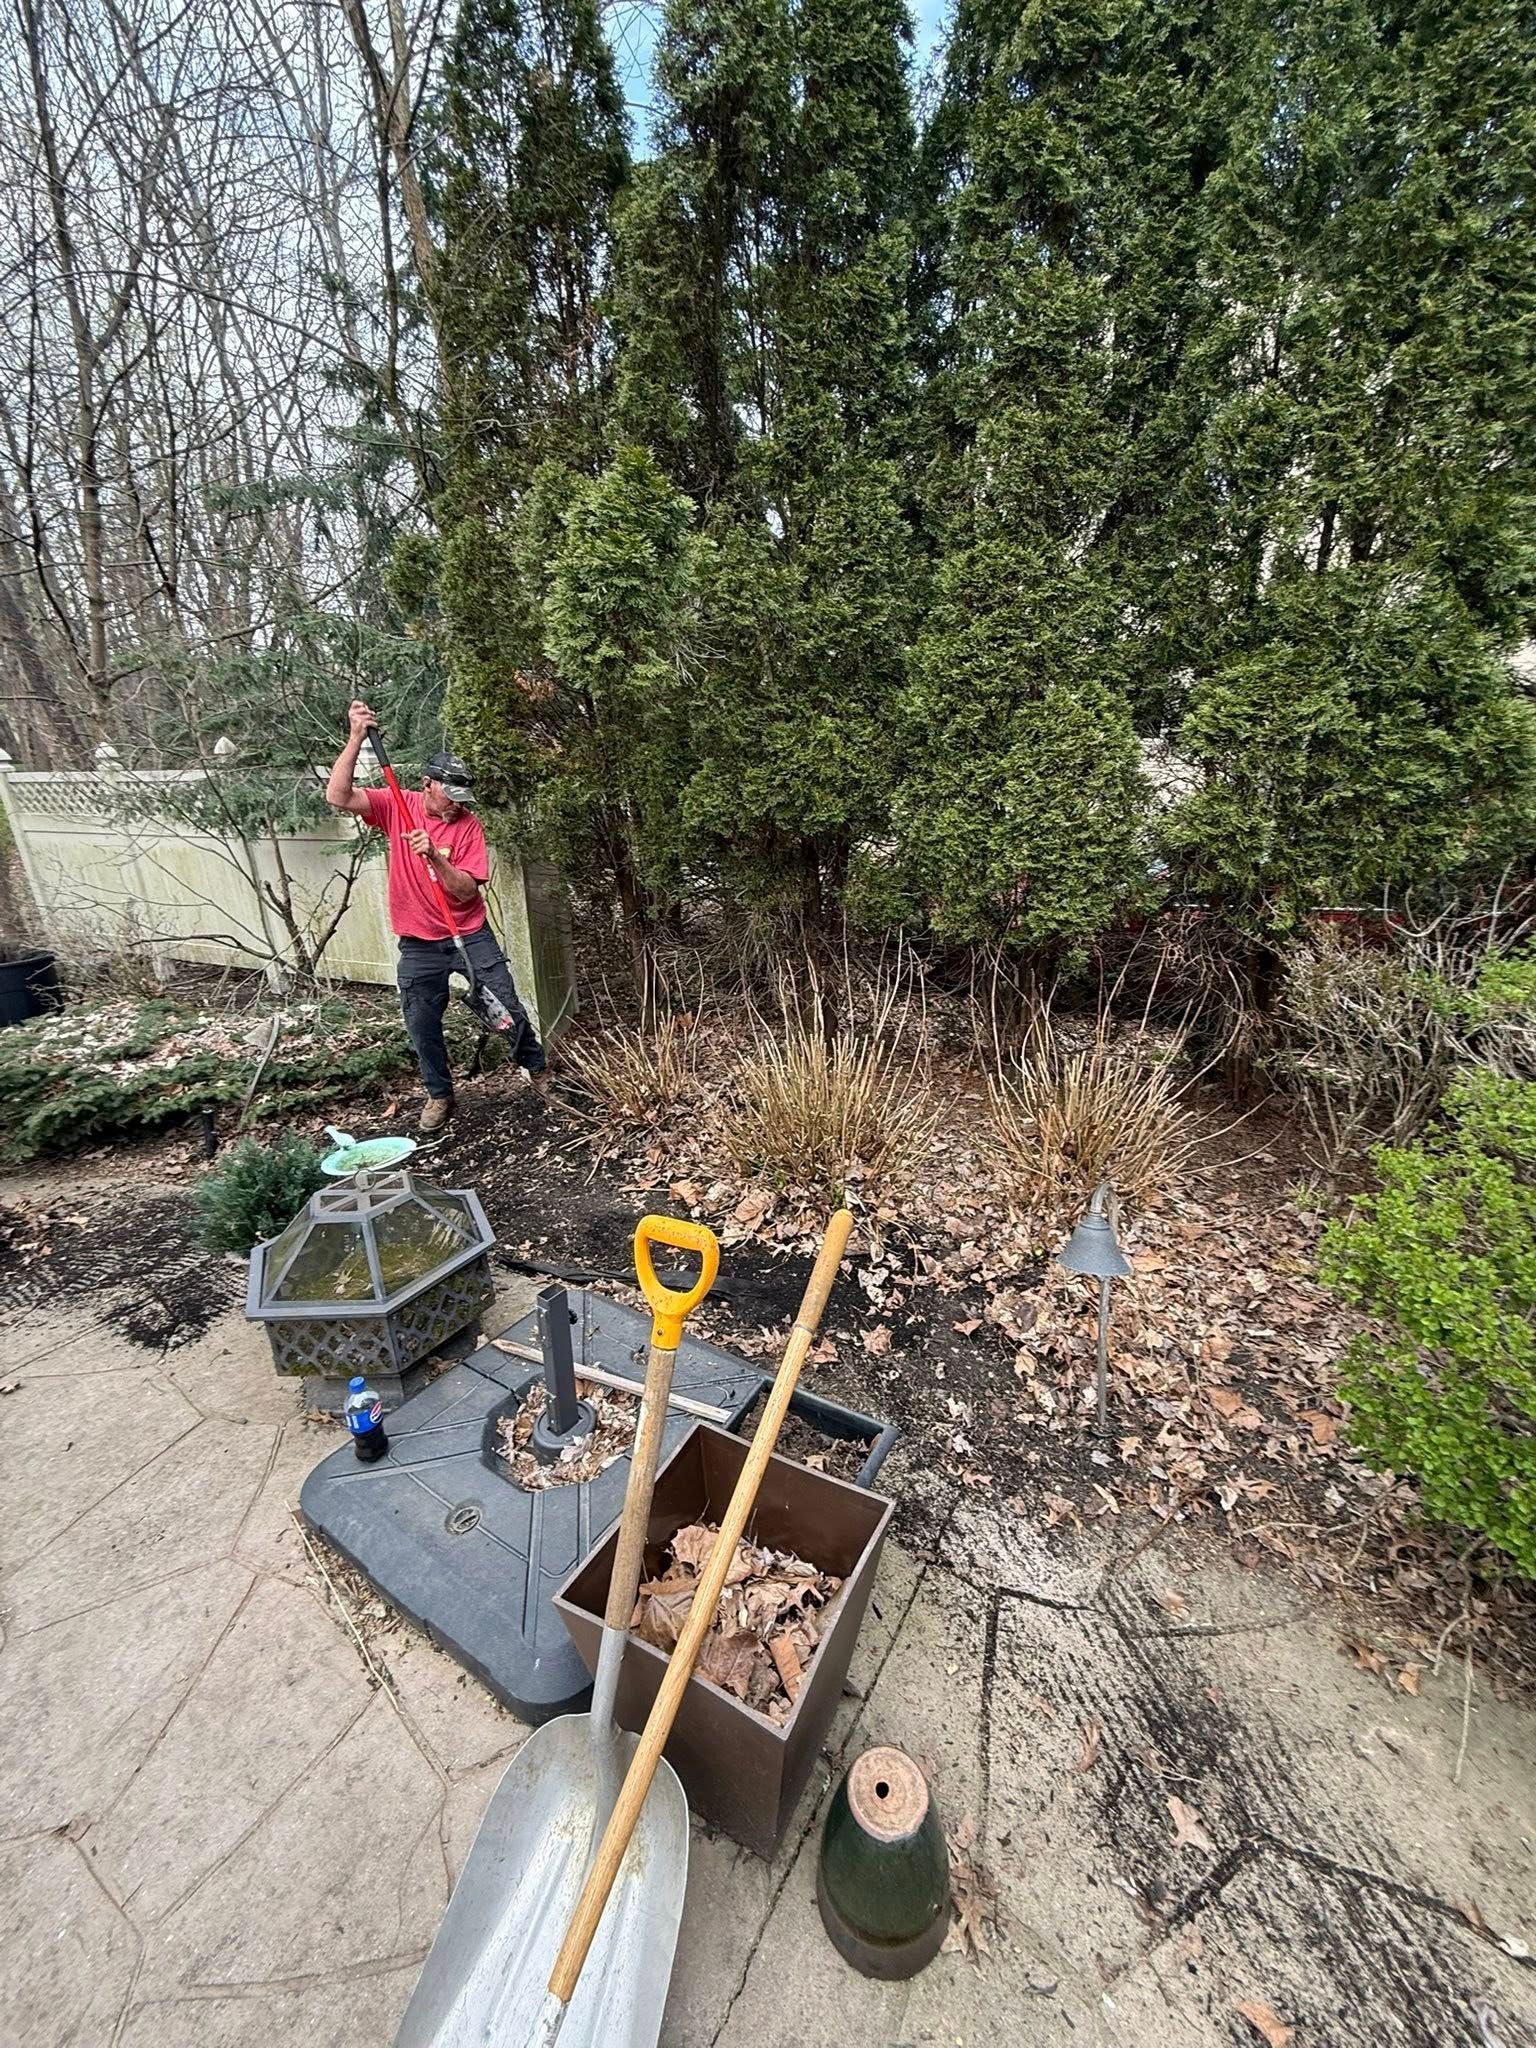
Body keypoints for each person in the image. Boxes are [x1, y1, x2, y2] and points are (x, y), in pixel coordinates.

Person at [326, 700, 544, 1133]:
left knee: (507, 1005)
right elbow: (338, 796)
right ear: (427, 784)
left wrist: (435, 858)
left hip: (468, 932)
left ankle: (539, 1073)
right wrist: (355, 738)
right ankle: (440, 1095)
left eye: (464, 798)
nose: (458, 806)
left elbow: (465, 892)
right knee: (421, 1022)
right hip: (419, 941)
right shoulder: (394, 806)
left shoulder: (467, 825)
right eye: (451, 795)